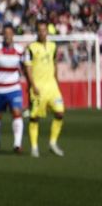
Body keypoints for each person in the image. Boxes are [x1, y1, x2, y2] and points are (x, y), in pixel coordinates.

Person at [23, 23, 65, 157]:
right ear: (37, 32)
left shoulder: (53, 46)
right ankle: (34, 147)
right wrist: (32, 85)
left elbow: (55, 64)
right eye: (40, 30)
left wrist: (57, 81)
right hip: (38, 87)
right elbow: (27, 68)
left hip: (52, 87)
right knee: (34, 118)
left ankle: (52, 143)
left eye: (44, 30)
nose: (42, 33)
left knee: (60, 113)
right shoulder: (30, 48)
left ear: (47, 32)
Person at [0, 23, 25, 153]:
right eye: (5, 33)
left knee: (17, 113)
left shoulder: (20, 50)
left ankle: (17, 144)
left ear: (13, 34)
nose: (7, 36)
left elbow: (25, 66)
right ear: (2, 35)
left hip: (14, 87)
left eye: (9, 33)